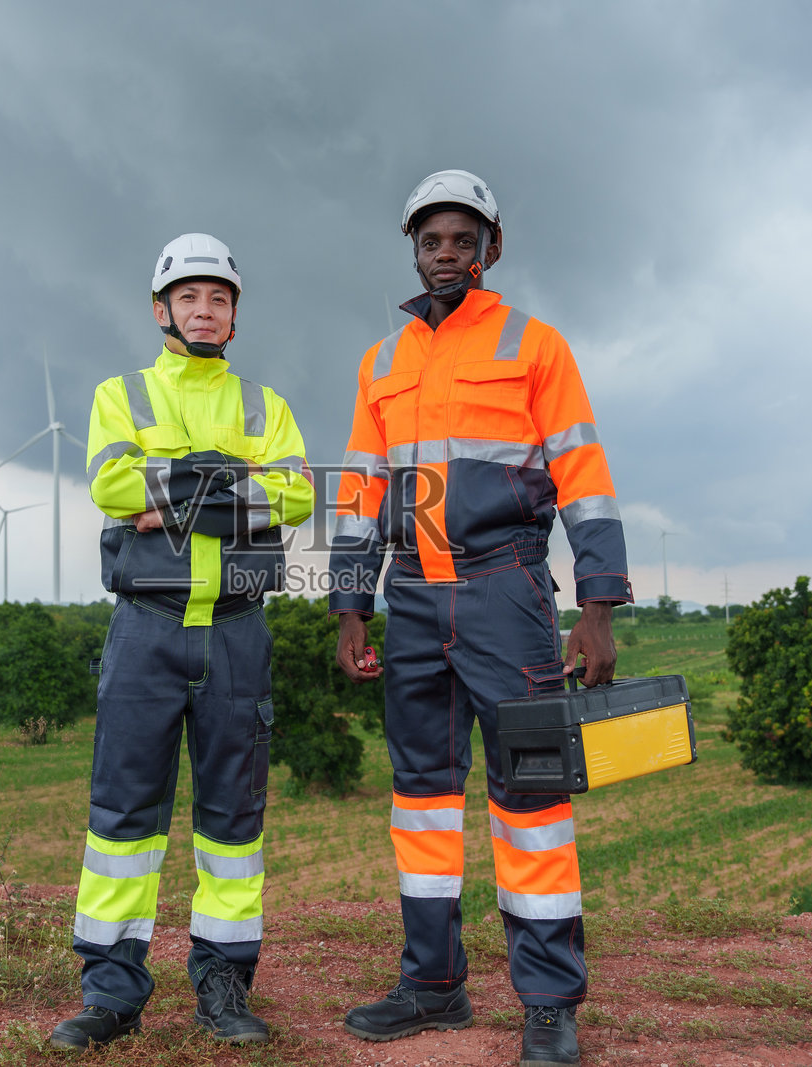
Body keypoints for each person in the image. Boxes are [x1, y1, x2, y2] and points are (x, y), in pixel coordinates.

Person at [327, 171, 632, 1067]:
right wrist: (352, 606)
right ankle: (433, 984)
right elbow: (357, 492)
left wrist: (598, 607)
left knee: (530, 795)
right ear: (414, 252)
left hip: (507, 591)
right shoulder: (379, 363)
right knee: (422, 797)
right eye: (432, 241)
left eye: (464, 240)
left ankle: (548, 1001)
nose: (447, 254)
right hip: (412, 599)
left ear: (492, 248)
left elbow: (583, 471)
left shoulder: (535, 345)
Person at [49, 233, 314, 1051]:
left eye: (222, 298)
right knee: (123, 818)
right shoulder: (117, 395)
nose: (207, 310)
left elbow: (299, 497)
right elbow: (112, 483)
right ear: (161, 308)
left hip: (236, 632)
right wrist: (235, 482)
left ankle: (224, 983)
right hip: (145, 631)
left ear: (235, 314)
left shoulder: (265, 404)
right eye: (191, 297)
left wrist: (173, 496)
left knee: (234, 821)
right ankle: (111, 992)